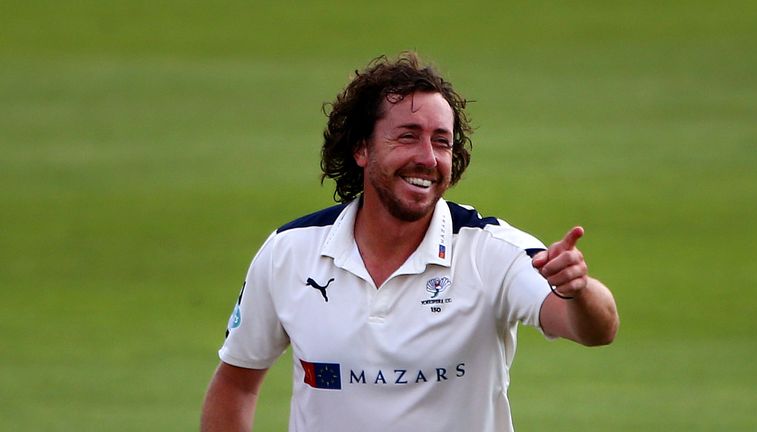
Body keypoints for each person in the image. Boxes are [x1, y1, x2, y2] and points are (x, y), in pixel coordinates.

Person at [200, 52, 619, 432]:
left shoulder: (490, 251)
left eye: (441, 142)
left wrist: (577, 291)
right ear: (362, 148)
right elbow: (236, 383)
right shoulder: (290, 252)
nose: (427, 157)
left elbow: (597, 329)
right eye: (407, 136)